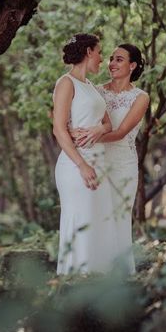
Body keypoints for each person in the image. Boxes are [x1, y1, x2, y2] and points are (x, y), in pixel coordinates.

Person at [73, 43, 149, 274]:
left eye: (119, 59)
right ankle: (95, 275)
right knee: (97, 219)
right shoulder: (96, 90)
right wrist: (77, 133)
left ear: (132, 65)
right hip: (96, 163)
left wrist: (93, 135)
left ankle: (122, 277)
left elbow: (121, 132)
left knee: (119, 221)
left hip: (123, 166)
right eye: (110, 59)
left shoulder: (140, 97)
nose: (111, 63)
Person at [53, 33, 116, 274]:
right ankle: (75, 286)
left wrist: (98, 128)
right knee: (82, 224)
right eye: (99, 52)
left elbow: (108, 124)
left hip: (99, 162)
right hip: (76, 164)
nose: (102, 58)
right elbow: (59, 129)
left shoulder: (91, 87)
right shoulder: (66, 83)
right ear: (88, 52)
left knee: (100, 226)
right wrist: (81, 164)